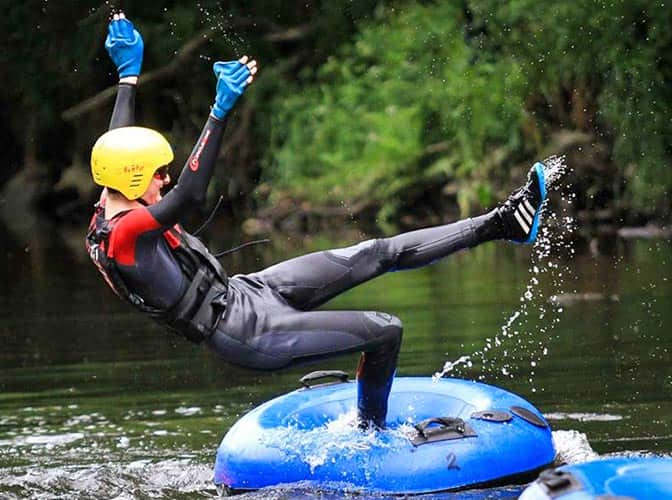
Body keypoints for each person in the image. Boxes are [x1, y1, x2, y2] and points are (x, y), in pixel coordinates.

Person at [86, 13, 548, 429]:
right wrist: (219, 111)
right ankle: (370, 437)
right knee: (386, 329)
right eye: (157, 173)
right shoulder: (125, 235)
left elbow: (118, 143)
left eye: (165, 170)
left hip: (250, 291)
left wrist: (128, 76)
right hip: (246, 333)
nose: (165, 178)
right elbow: (192, 192)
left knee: (376, 252)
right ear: (128, 180)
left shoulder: (115, 194)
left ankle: (503, 223)